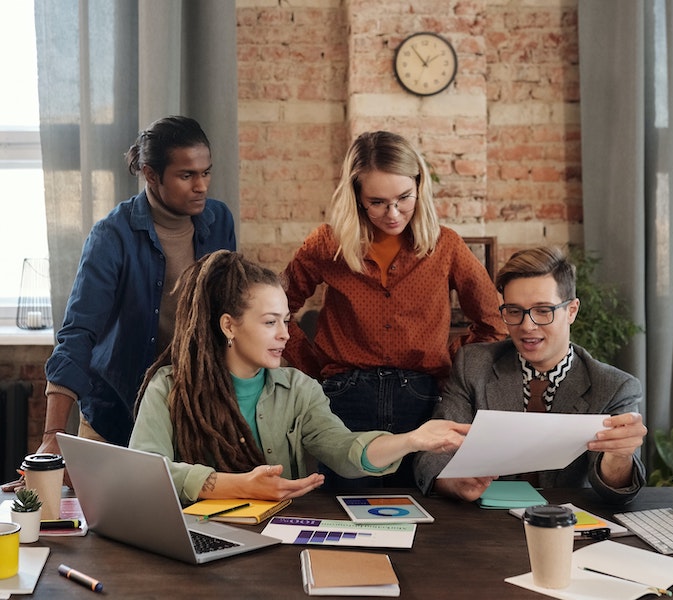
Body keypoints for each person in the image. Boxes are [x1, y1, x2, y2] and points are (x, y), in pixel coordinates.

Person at [129, 250, 468, 503]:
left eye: (286, 320)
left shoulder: (299, 389)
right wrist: (236, 486)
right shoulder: (170, 387)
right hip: (198, 539)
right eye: (269, 322)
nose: (285, 335)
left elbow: (345, 450)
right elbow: (144, 472)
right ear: (229, 325)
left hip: (279, 543)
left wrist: (412, 440)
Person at [280, 130, 506, 488]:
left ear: (420, 185)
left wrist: (446, 360)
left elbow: (494, 324)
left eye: (404, 198)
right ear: (356, 196)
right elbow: (278, 311)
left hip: (421, 400)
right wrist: (315, 367)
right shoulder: (327, 245)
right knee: (344, 511)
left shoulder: (446, 246)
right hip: (343, 400)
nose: (393, 213)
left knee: (422, 511)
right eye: (377, 202)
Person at [40, 116, 236, 453]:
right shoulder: (112, 235)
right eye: (186, 175)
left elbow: (230, 312)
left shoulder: (219, 221)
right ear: (150, 174)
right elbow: (78, 334)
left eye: (206, 172)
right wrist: (52, 435)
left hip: (194, 418)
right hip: (116, 417)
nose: (201, 186)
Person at [413, 246, 648, 504]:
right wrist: (453, 482)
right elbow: (431, 454)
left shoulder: (614, 386)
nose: (527, 326)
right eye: (514, 311)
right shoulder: (474, 365)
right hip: (484, 525)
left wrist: (620, 455)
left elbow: (615, 491)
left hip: (567, 527)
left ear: (571, 311)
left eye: (543, 311)